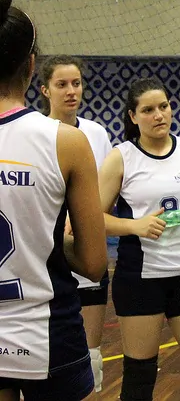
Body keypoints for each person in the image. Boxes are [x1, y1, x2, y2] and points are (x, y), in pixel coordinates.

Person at [0, 0, 107, 401]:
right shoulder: (67, 142)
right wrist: (48, 239)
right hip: (46, 331)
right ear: (32, 66)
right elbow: (94, 264)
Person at [97, 77, 180, 401]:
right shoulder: (121, 157)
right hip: (140, 279)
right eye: (148, 110)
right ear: (133, 116)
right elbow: (92, 219)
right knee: (140, 377)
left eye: (164, 106)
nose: (159, 115)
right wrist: (135, 226)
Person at [39, 55, 112, 393]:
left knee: (91, 359)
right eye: (62, 84)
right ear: (45, 90)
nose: (71, 91)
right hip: (49, 259)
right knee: (44, 365)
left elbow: (106, 193)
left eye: (76, 83)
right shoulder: (36, 135)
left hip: (87, 253)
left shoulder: (96, 134)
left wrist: (84, 217)